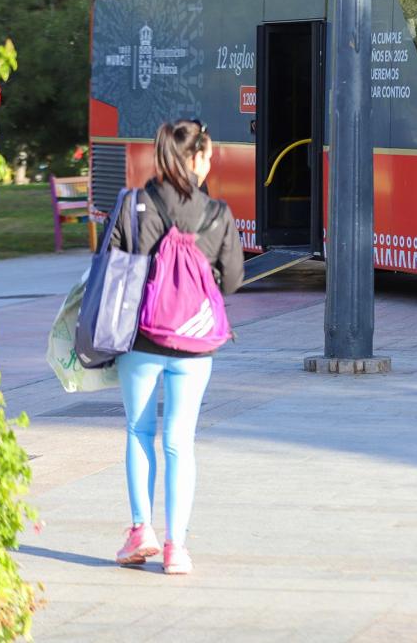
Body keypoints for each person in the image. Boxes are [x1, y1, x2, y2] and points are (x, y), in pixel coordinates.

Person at [109, 119, 244, 575]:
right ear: (195, 158)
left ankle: (140, 529)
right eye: (207, 155)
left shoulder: (136, 204)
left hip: (140, 341)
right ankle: (176, 549)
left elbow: (112, 266)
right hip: (195, 346)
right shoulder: (218, 213)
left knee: (138, 432)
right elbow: (234, 279)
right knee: (179, 442)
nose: (210, 163)